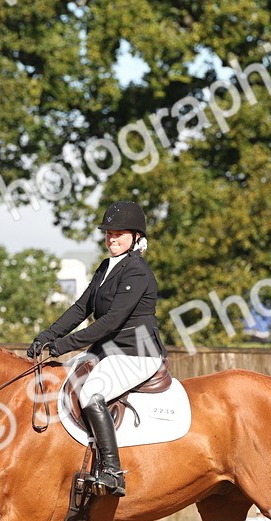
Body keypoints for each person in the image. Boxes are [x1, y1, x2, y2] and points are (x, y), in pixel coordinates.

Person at [26, 200, 167, 497]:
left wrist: (63, 344)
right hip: (109, 350)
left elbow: (112, 321)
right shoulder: (106, 267)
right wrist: (47, 335)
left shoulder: (137, 271)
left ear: (136, 237)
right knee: (61, 378)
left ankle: (113, 471)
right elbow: (81, 307)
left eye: (119, 233)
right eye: (108, 233)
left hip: (136, 352)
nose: (112, 238)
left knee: (91, 393)